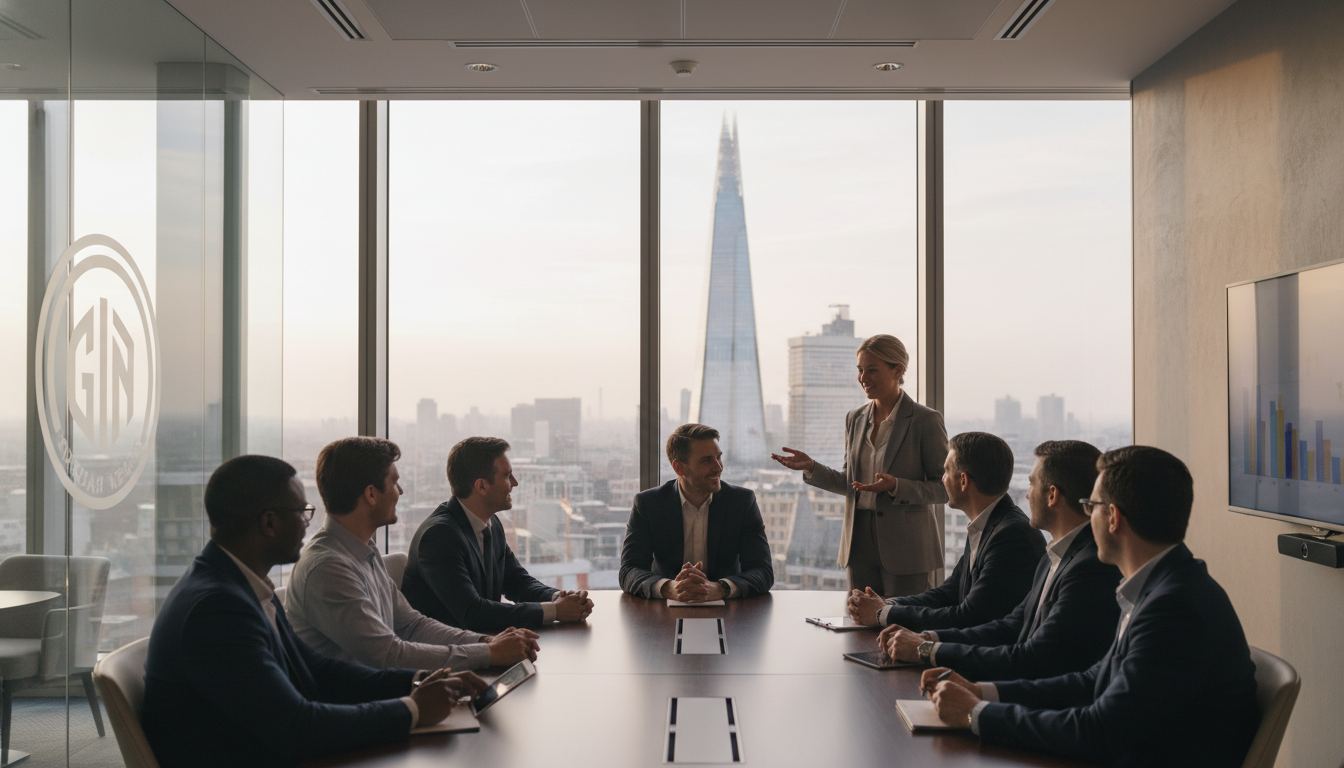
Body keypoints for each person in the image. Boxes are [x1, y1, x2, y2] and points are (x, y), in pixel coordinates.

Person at [924, 446, 1260, 767]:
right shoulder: (1163, 587)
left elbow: (1100, 731)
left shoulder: (1173, 608)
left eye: (1091, 505)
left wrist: (976, 713)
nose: (1087, 517)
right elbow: (1090, 681)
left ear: (1112, 517)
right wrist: (980, 692)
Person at [141, 455, 485, 768]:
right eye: (301, 512)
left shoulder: (239, 584)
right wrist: (412, 710)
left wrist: (416, 682)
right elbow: (296, 727)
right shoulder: (215, 610)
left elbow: (315, 669)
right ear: (270, 523)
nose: (308, 523)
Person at [285, 436, 540, 672]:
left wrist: (487, 641)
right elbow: (388, 654)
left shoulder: (362, 551)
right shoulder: (328, 568)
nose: (401, 491)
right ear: (371, 494)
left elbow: (411, 625)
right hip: (359, 708)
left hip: (383, 694)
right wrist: (488, 653)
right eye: (395, 482)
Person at [879, 440, 1121, 680]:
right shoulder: (1054, 557)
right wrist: (928, 639)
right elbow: (1011, 625)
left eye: (1031, 484)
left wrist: (926, 649)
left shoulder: (1087, 568)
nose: (1025, 495)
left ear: (1052, 495)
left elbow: (1033, 657)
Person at [771, 334, 948, 596]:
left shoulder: (925, 420)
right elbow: (850, 483)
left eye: (872, 370)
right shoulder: (854, 419)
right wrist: (811, 468)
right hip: (858, 542)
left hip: (907, 546)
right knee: (861, 627)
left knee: (902, 625)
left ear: (897, 370)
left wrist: (897, 486)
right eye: (860, 370)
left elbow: (944, 488)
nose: (863, 378)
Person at [848, 431, 1045, 630]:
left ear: (963, 480)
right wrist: (888, 606)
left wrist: (882, 614)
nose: (942, 479)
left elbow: (968, 616)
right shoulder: (989, 524)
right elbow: (949, 593)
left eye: (946, 472)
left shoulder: (1011, 536)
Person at [401, 436, 594, 633]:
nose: (515, 482)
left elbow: (516, 581)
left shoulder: (490, 522)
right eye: (507, 475)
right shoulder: (439, 536)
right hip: (443, 657)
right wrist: (554, 611)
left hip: (481, 645)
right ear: (482, 486)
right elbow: (473, 613)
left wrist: (557, 598)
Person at [620, 423, 773, 601]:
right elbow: (629, 571)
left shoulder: (741, 502)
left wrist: (719, 588)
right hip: (664, 615)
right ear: (679, 468)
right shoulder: (649, 504)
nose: (718, 467)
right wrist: (670, 588)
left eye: (719, 457)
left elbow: (763, 571)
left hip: (730, 614)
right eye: (706, 460)